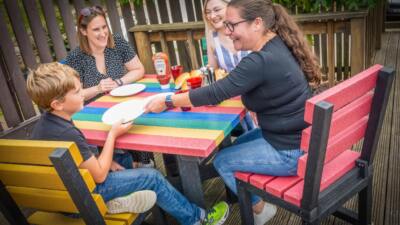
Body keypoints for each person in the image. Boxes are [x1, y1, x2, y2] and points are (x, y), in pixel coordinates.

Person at [145, 0, 321, 224]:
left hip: (290, 151)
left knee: (222, 161)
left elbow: (215, 92)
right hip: (297, 138)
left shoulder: (259, 60)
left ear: (257, 23)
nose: (228, 32)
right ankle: (253, 199)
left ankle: (260, 209)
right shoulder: (278, 43)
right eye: (226, 26)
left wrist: (168, 100)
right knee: (236, 146)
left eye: (232, 25)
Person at [26, 62, 229, 225]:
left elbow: (76, 161)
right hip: (83, 200)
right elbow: (99, 175)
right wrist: (112, 135)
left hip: (61, 196)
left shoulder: (45, 125)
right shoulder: (68, 132)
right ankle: (197, 219)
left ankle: (120, 198)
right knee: (153, 177)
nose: (83, 94)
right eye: (78, 92)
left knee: (121, 158)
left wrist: (101, 158)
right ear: (58, 104)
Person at [65, 5, 152, 168]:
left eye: (104, 27)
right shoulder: (76, 57)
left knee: (144, 121)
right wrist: (97, 88)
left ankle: (145, 164)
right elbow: (74, 95)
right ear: (84, 32)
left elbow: (138, 69)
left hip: (123, 107)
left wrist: (119, 82)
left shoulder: (117, 42)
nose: (103, 33)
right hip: (96, 118)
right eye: (96, 29)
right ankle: (130, 166)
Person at [203, 0, 256, 131]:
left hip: (257, 95)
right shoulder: (211, 37)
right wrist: (205, 77)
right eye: (208, 12)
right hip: (232, 99)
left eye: (216, 10)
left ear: (230, 6)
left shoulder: (248, 28)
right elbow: (212, 71)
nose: (212, 16)